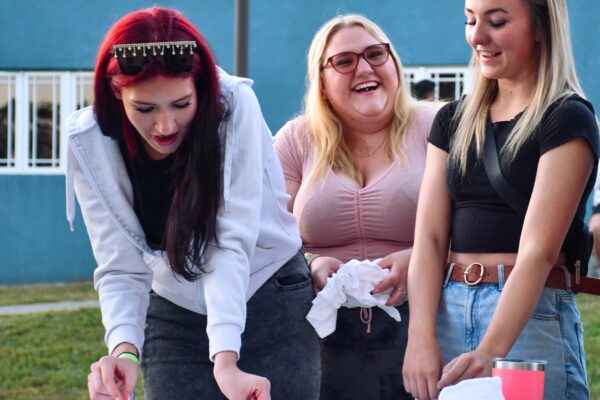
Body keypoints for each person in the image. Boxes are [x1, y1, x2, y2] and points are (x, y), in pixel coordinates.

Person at [65, 7, 319, 400]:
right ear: (117, 93)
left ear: (201, 88)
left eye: (181, 104)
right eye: (145, 109)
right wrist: (124, 352)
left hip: (269, 295)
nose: (165, 126)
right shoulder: (90, 141)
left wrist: (225, 360)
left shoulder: (235, 106)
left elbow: (229, 243)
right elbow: (120, 266)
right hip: (173, 309)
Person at [402, 1, 599, 400]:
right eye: (470, 20)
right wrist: (419, 337)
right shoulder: (452, 119)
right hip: (446, 308)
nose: (477, 36)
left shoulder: (566, 117)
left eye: (496, 21)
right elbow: (429, 238)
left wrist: (491, 350)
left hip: (528, 316)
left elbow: (538, 252)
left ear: (541, 27)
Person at [274, 14, 436, 400]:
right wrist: (310, 262)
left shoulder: (438, 126)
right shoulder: (296, 140)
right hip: (319, 336)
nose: (364, 68)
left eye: (375, 54)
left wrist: (418, 257)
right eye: (344, 61)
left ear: (394, 63)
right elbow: (266, 234)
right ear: (323, 82)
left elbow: (472, 222)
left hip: (422, 329)